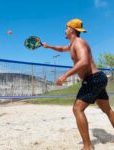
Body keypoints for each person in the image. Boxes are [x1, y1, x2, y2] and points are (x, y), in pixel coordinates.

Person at [43, 18, 114, 150]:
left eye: (66, 28)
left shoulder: (79, 43)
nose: (64, 31)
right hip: (98, 78)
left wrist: (65, 75)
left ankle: (87, 146)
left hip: (93, 79)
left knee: (77, 109)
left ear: (71, 29)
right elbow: (62, 48)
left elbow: (84, 61)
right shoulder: (72, 44)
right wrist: (49, 46)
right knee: (107, 109)